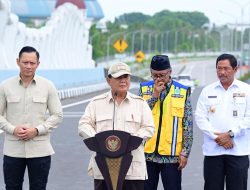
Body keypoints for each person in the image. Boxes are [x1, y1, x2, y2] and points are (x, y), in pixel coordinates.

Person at [78, 62, 155, 190]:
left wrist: (130, 141)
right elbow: (83, 125)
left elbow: (149, 128)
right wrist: (100, 142)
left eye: (126, 77)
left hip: (133, 171)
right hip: (103, 168)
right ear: (109, 80)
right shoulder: (96, 103)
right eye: (119, 77)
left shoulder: (140, 104)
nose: (123, 81)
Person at [0, 46, 63, 190]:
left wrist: (37, 130)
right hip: (13, 149)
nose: (28, 66)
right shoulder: (5, 86)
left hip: (40, 149)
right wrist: (13, 129)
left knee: (38, 187)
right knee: (12, 187)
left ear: (38, 64)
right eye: (25, 62)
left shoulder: (48, 86)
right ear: (18, 62)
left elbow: (57, 115)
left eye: (32, 63)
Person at [195, 53, 250, 190]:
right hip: (213, 152)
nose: (222, 72)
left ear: (235, 69)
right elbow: (200, 117)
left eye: (226, 68)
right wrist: (217, 138)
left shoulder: (246, 90)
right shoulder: (207, 91)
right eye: (219, 68)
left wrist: (230, 134)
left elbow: (248, 118)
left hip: (238, 152)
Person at [139, 55, 193, 190]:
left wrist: (185, 153)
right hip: (147, 155)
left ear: (170, 72)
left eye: (162, 75)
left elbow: (187, 125)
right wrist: (154, 96)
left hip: (172, 157)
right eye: (154, 75)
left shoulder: (182, 91)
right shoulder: (144, 89)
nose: (158, 79)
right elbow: (139, 116)